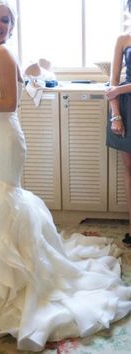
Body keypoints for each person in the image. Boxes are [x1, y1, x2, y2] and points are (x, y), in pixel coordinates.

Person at [0, 1, 131, 352]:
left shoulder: (5, 54)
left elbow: (8, 103)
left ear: (11, 27)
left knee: (4, 197)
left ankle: (21, 276)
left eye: (5, 20)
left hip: (7, 137)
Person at [106, 0, 131, 247]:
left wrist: (122, 88)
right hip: (126, 108)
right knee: (128, 168)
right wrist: (116, 114)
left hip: (125, 94)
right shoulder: (123, 39)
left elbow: (117, 87)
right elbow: (111, 82)